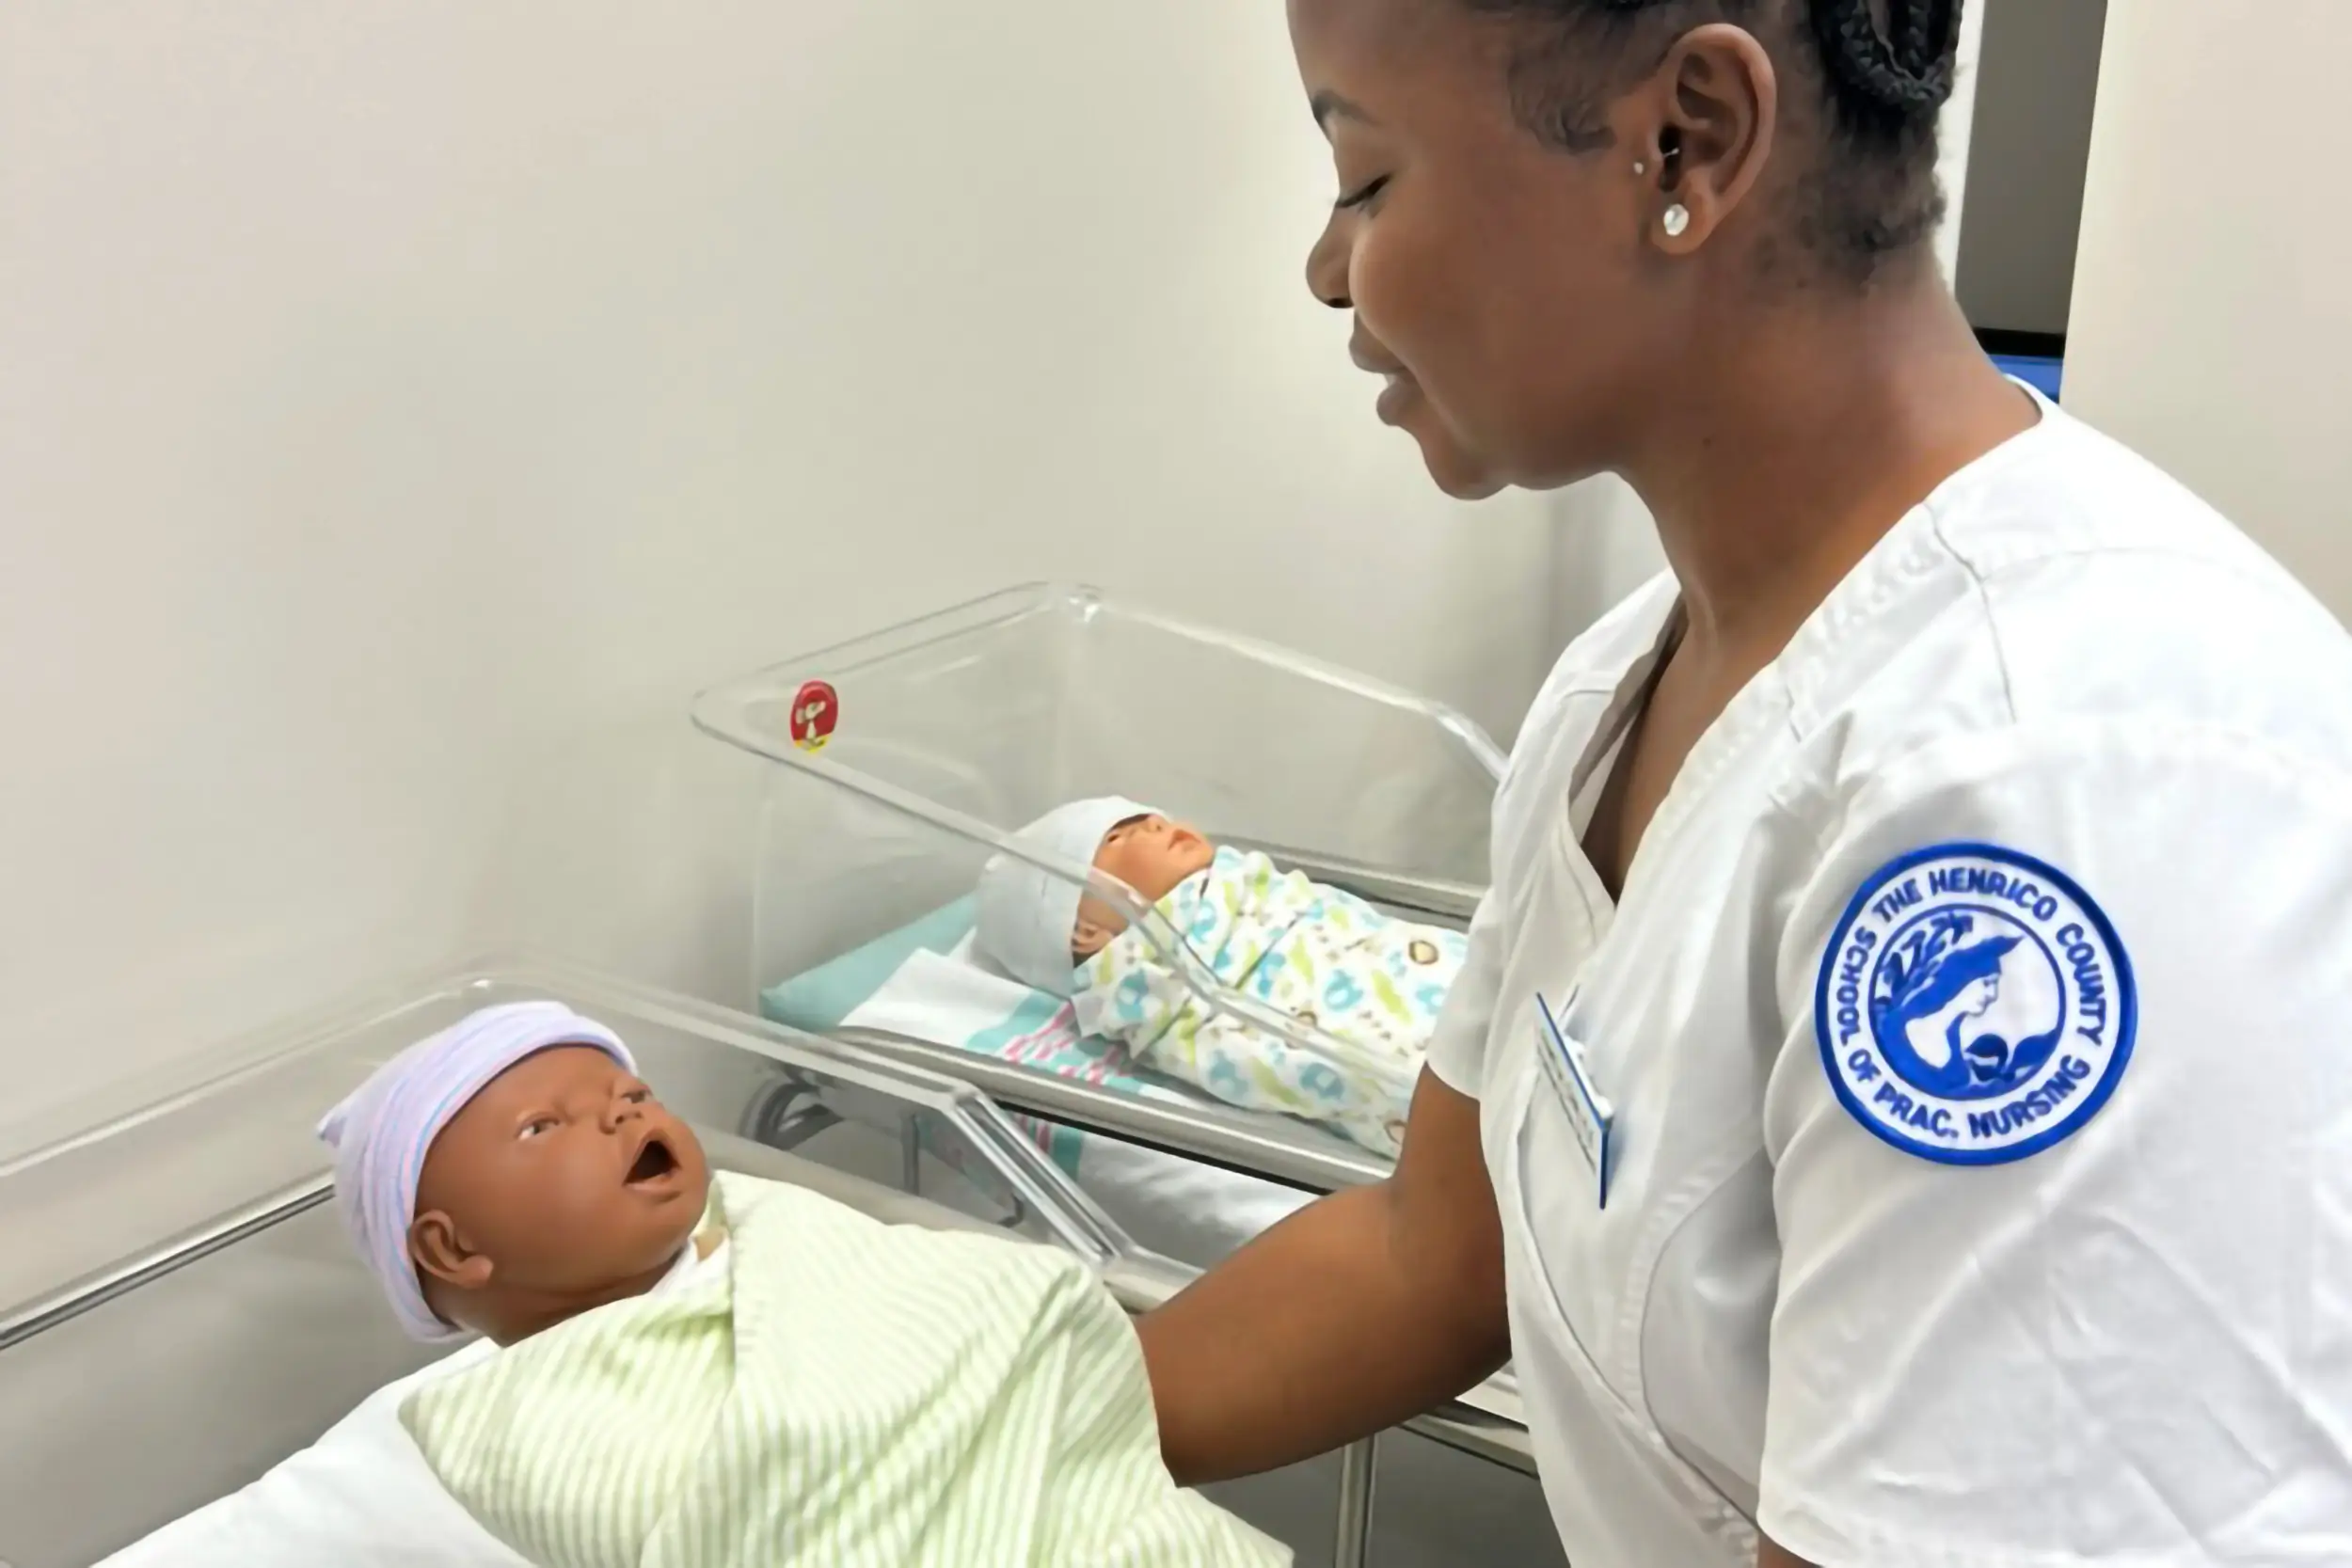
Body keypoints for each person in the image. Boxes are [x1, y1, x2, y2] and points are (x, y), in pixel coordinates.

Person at [1133, 1, 2352, 1563]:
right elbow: (1425, 1254)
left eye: (1367, 184)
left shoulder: (2050, 798)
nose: (1328, 268)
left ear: (1687, 137)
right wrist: (970, 1402)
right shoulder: (1620, 691)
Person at [317, 1000, 1286, 1567]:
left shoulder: (767, 1231)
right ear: (454, 1251)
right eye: (544, 1126)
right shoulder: (514, 1419)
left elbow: (961, 1301)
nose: (620, 1110)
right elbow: (732, 1507)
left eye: (631, 1093)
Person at [974, 796, 1466, 1155]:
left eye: (1151, 817)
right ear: (1083, 928)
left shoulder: (1248, 885)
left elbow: (1345, 925)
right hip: (1397, 1057)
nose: (1156, 825)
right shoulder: (1141, 986)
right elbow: (1228, 1041)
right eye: (1119, 837)